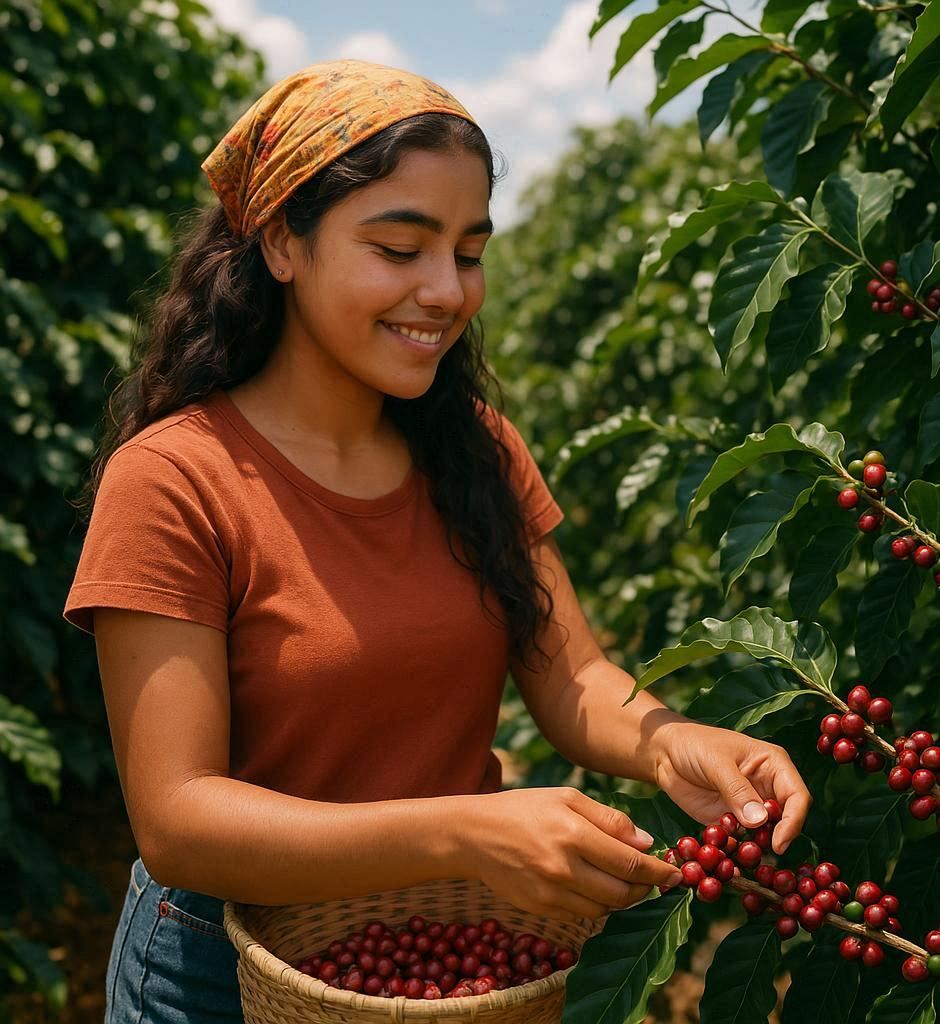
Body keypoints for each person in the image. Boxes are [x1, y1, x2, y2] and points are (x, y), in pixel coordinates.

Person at [64, 59, 811, 1023]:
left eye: (468, 251)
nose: (446, 291)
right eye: (399, 248)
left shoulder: (475, 451)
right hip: (224, 967)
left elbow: (572, 676)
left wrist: (675, 741)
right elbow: (178, 819)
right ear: (283, 245)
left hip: (445, 949)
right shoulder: (177, 479)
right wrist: (465, 833)